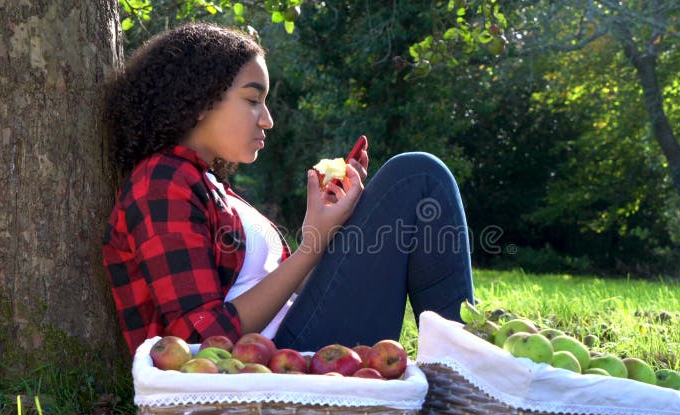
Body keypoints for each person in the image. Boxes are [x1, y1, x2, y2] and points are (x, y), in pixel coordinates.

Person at [102, 23, 474, 355]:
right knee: (416, 178)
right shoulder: (161, 181)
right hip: (264, 367)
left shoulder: (214, 187)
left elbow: (291, 293)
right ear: (199, 101)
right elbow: (199, 339)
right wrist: (311, 248)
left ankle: (463, 369)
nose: (268, 119)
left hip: (291, 346)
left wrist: (328, 227)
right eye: (252, 100)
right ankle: (469, 374)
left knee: (418, 178)